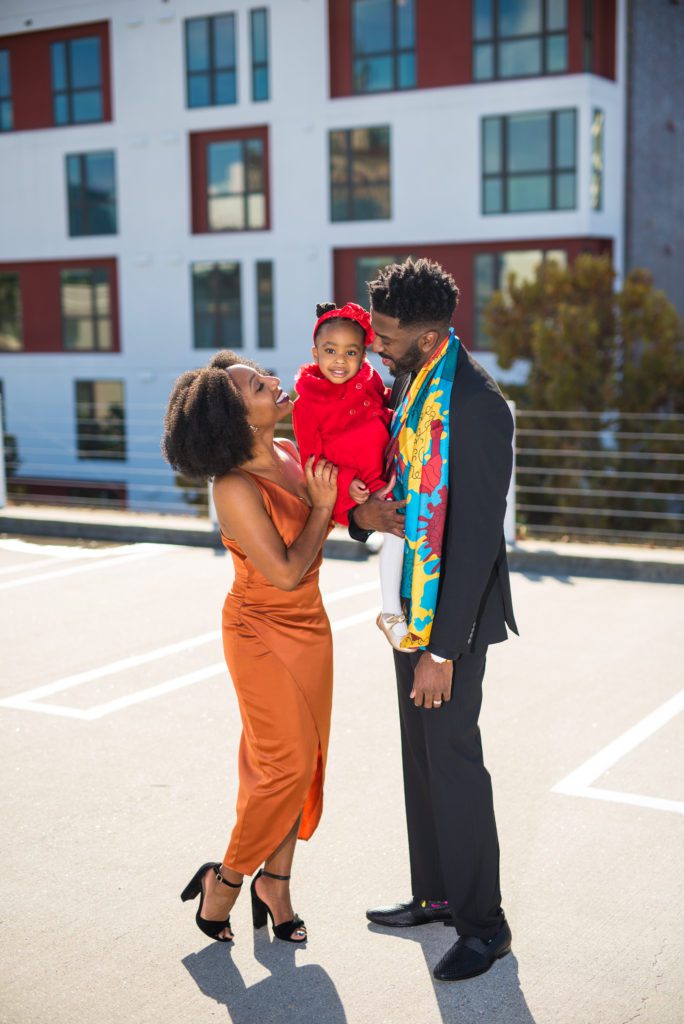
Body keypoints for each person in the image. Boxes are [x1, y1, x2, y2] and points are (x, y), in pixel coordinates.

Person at [348, 258, 518, 982]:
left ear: (427, 333)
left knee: (452, 763)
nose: (375, 345)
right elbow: (388, 476)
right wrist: (361, 517)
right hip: (407, 609)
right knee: (421, 760)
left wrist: (443, 651)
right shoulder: (412, 381)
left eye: (386, 335)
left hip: (453, 620)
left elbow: (478, 540)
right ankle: (437, 893)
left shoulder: (479, 406)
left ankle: (486, 928)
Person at [162, 350, 338, 945]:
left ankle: (278, 883)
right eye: (259, 386)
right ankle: (228, 878)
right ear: (238, 421)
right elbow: (286, 571)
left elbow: (324, 526)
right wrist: (321, 506)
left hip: (310, 625)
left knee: (302, 761)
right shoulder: (234, 486)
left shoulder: (290, 454)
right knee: (282, 768)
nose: (275, 383)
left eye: (265, 376)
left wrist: (354, 508)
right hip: (260, 630)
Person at [292, 301, 409, 649]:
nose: (340, 361)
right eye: (330, 351)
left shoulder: (368, 378)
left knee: (415, 527)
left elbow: (384, 400)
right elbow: (311, 461)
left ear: (363, 355)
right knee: (397, 534)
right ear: (315, 352)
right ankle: (390, 611)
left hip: (384, 466)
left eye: (351, 352)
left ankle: (408, 599)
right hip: (354, 486)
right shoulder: (307, 403)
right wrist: (345, 481)